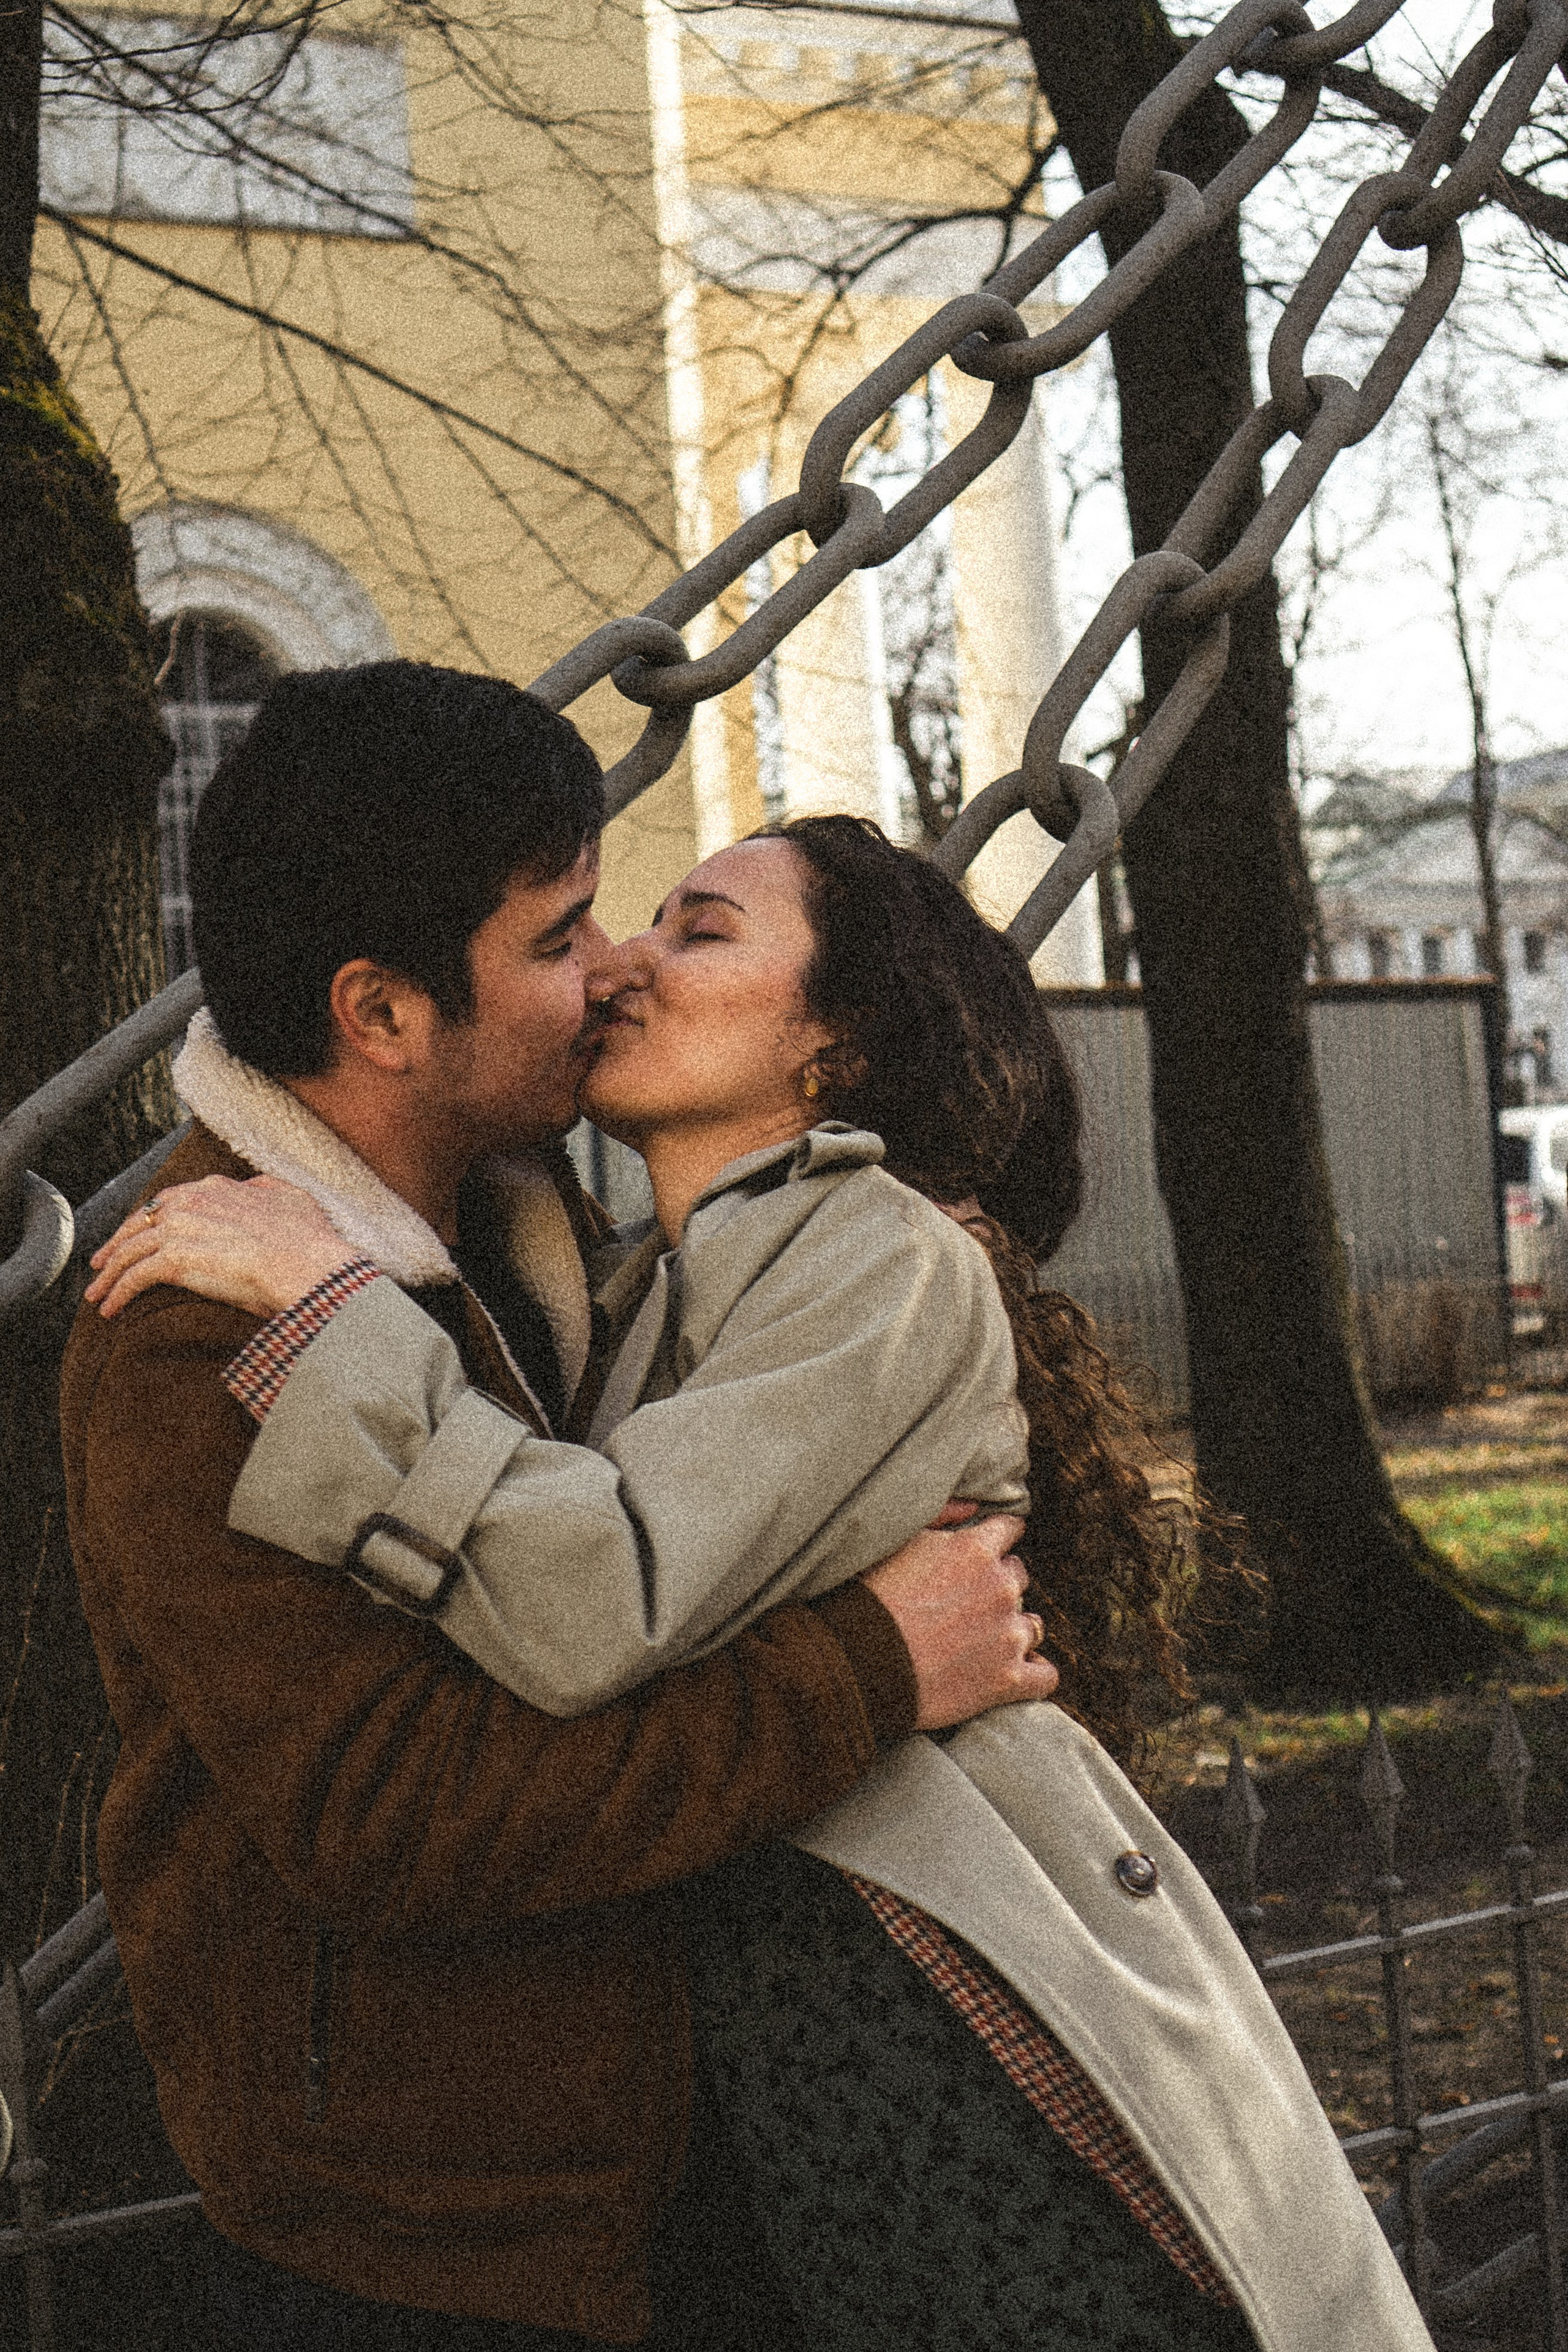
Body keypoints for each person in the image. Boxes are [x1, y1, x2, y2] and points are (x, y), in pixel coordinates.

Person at [93, 809, 1436, 2352]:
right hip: (763, 2018)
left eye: (699, 931)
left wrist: (334, 1310)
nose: (622, 968)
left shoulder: (884, 1252)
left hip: (924, 1995)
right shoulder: (624, 1287)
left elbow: (598, 1595)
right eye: (617, 927)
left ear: (838, 1044)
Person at [59, 662, 1058, 2352]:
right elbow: (401, 1814)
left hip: (643, 2185)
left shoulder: (545, 1251)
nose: (610, 975)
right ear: (381, 1014)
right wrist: (871, 1672)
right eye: (557, 938)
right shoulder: (200, 1325)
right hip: (415, 2247)